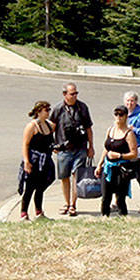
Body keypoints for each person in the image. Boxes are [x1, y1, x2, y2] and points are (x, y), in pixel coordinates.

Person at [49, 82, 93, 216]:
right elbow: (51, 128)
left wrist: (91, 146)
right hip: (64, 149)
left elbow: (88, 128)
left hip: (80, 148)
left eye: (76, 93)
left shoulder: (82, 107)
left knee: (76, 176)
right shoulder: (58, 109)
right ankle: (66, 203)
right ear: (64, 94)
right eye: (72, 94)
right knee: (64, 177)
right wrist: (52, 145)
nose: (74, 96)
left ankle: (73, 204)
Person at [97, 105, 139, 217]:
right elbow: (106, 148)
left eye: (121, 114)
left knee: (120, 198)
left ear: (126, 116)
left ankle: (123, 218)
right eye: (116, 114)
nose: (118, 117)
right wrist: (99, 165)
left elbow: (134, 154)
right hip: (108, 168)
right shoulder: (110, 130)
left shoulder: (129, 134)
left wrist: (119, 156)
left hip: (121, 170)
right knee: (106, 197)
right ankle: (104, 217)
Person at [18, 100, 57, 219]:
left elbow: (50, 141)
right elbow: (25, 144)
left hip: (46, 160)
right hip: (34, 159)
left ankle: (39, 212)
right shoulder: (32, 126)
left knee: (42, 185)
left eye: (49, 110)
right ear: (39, 112)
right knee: (30, 187)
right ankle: (23, 213)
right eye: (46, 110)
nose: (48, 112)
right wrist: (26, 161)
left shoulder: (50, 125)